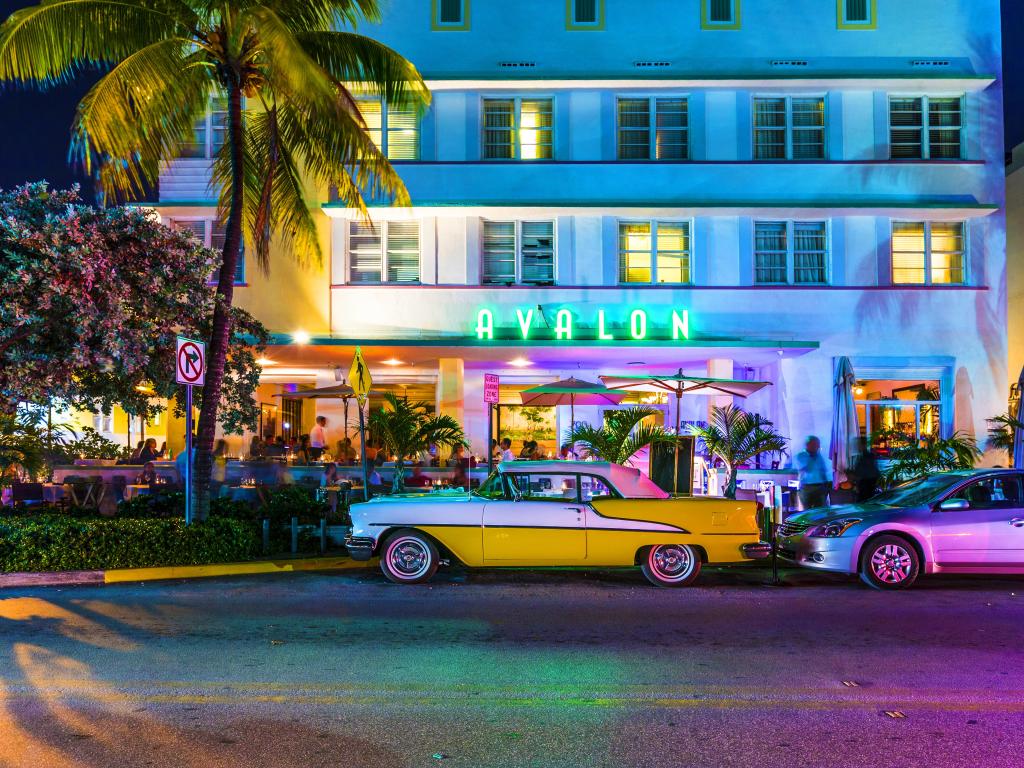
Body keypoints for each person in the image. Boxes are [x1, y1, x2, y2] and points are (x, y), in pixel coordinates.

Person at [795, 435, 833, 510]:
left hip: (820, 487)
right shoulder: (801, 456)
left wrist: (826, 486)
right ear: (808, 444)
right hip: (807, 487)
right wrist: (811, 456)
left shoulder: (819, 456)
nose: (818, 446)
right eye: (816, 444)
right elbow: (805, 469)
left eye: (818, 444)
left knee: (820, 511)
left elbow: (823, 470)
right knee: (807, 511)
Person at [851, 437, 881, 502]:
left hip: (866, 491)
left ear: (863, 445)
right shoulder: (867, 456)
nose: (857, 446)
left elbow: (861, 474)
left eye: (858, 444)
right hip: (867, 490)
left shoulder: (866, 458)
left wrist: (852, 474)